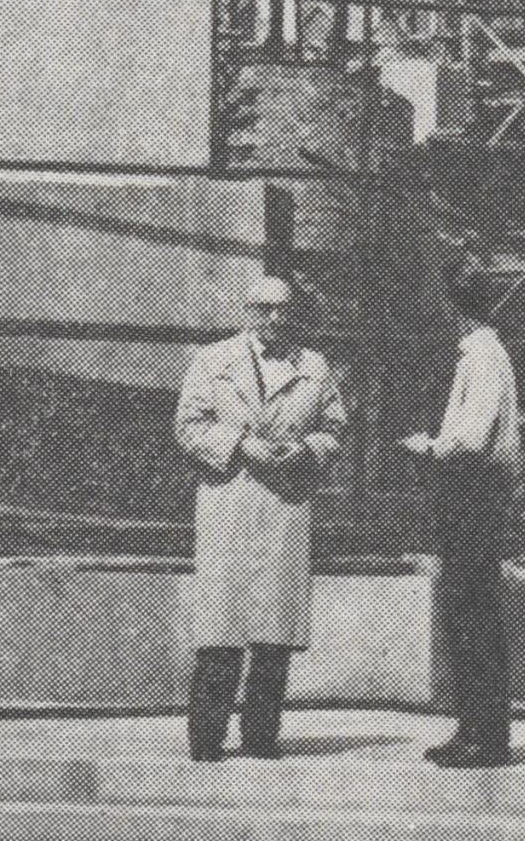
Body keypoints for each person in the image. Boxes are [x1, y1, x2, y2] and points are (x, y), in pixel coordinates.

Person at [174, 274, 347, 761]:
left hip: (285, 505)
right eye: (265, 308)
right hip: (229, 501)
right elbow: (188, 426)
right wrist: (239, 444)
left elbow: (335, 426)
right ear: (248, 312)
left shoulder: (314, 366)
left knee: (274, 632)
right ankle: (207, 739)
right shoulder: (213, 360)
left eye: (284, 309)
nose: (276, 318)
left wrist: (307, 449)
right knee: (221, 627)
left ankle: (261, 737)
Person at [403, 258, 523, 768]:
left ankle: (484, 735)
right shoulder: (483, 354)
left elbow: (471, 438)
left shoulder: (482, 357)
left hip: (473, 493)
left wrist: (429, 447)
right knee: (472, 612)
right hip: (477, 494)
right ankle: (476, 728)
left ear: (452, 305)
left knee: (471, 612)